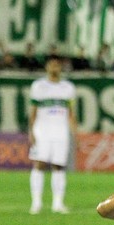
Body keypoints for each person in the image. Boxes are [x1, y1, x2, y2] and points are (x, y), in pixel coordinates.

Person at [28, 54, 78, 214]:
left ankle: (58, 203)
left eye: (57, 65)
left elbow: (71, 113)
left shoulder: (68, 88)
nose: (54, 68)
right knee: (39, 164)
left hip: (61, 131)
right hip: (42, 130)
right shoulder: (38, 86)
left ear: (60, 67)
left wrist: (75, 133)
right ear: (47, 67)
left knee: (59, 165)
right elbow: (33, 111)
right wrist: (31, 131)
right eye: (52, 65)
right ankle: (36, 203)